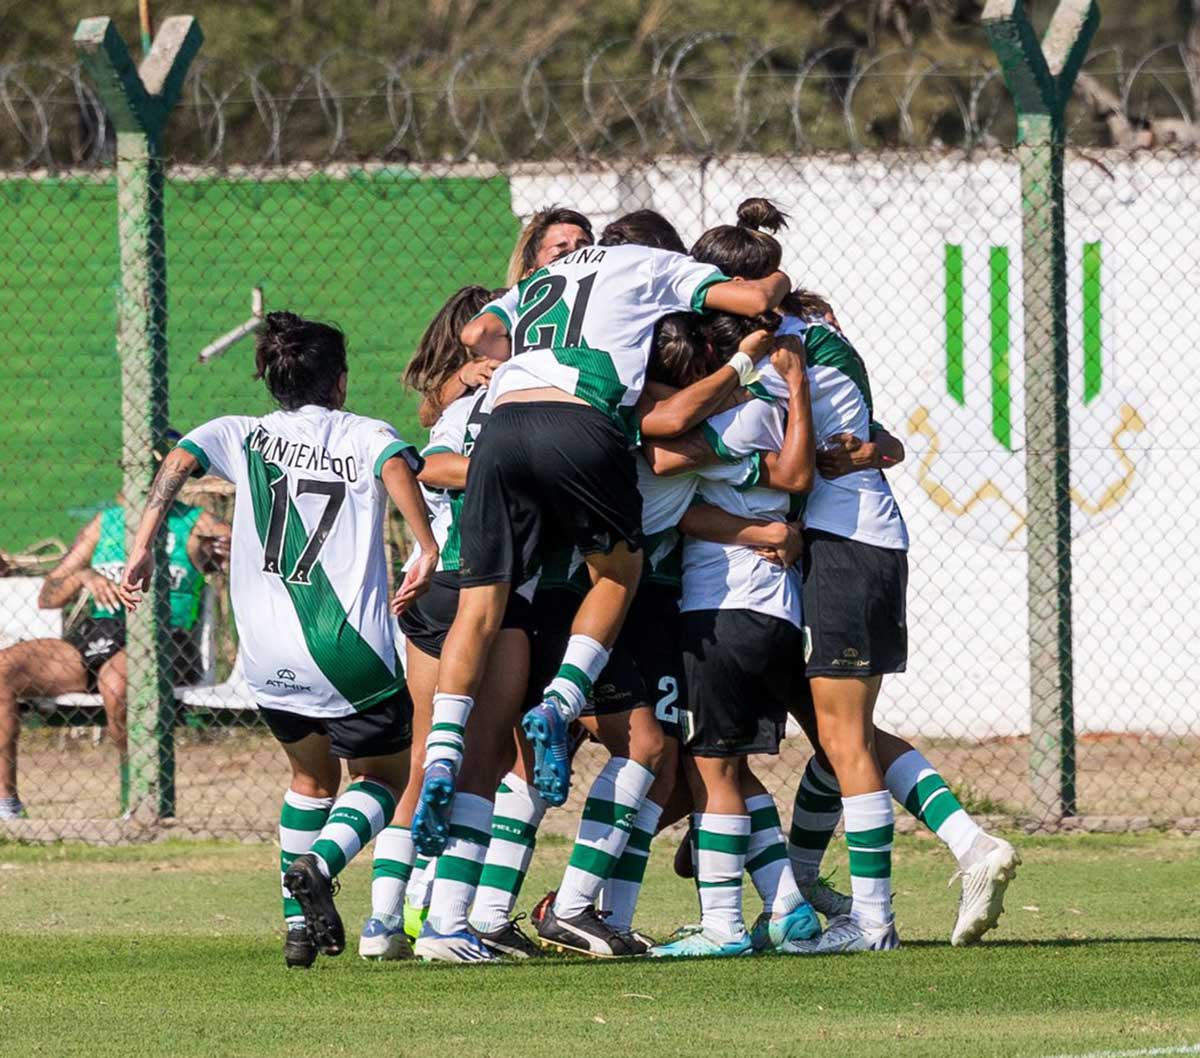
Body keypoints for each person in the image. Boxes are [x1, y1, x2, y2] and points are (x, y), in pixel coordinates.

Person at [690, 197, 1019, 952]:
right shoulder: (815, 333)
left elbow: (772, 455)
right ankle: (933, 855)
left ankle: (873, 923)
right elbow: (872, 440)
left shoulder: (777, 356)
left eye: (708, 290)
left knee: (843, 740)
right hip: (867, 541)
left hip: (841, 547)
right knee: (847, 734)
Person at [117, 311, 438, 969]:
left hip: (268, 660)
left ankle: (297, 925)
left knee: (309, 779)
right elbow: (394, 465)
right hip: (348, 652)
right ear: (340, 381)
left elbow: (179, 460)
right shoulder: (362, 432)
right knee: (384, 776)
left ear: (273, 379)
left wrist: (144, 543)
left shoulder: (241, 434)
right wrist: (426, 544)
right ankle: (320, 866)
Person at [359, 286, 540, 963]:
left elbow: (427, 462)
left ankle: (383, 922)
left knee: (426, 755)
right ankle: (447, 923)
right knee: (486, 757)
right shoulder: (534, 409)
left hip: (432, 588)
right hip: (491, 593)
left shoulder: (458, 407)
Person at [0, 435, 229, 821]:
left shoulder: (193, 523)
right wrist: (84, 578)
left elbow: (242, 549)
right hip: (98, 634)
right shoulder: (103, 525)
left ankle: (140, 794)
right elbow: (48, 596)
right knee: (4, 669)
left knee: (118, 682)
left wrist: (225, 551)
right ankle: (7, 804)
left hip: (165, 640)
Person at [416, 207, 595, 428]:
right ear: (532, 274)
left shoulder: (607, 309)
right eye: (561, 256)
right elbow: (427, 413)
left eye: (584, 251)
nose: (575, 261)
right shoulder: (504, 317)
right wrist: (464, 375)